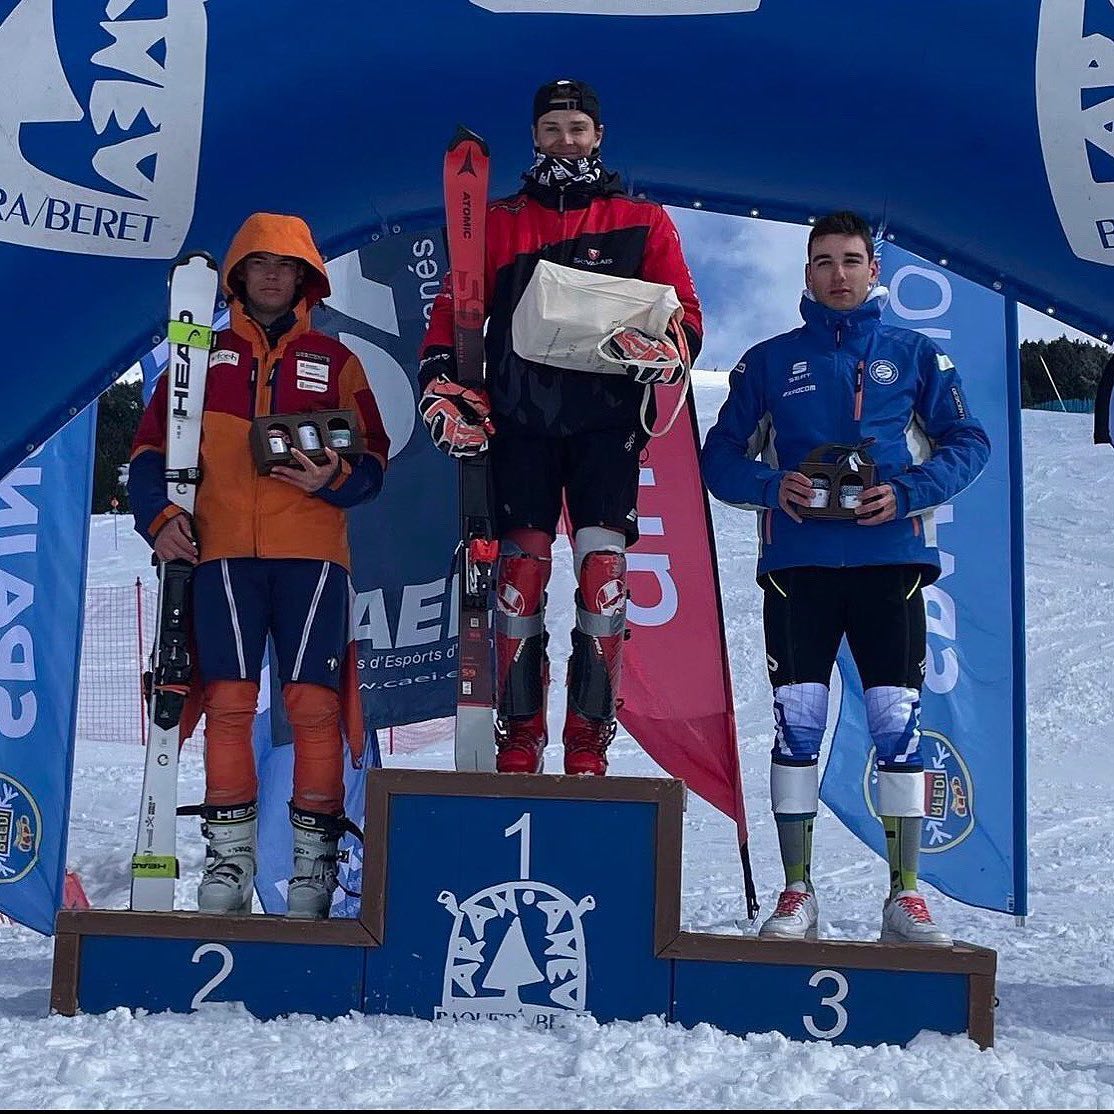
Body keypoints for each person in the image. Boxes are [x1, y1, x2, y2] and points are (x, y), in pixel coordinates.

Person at [700, 211, 990, 946]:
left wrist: (911, 491)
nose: (838, 274)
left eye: (851, 260)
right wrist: (774, 488)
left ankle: (905, 895)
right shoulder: (769, 362)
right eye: (824, 261)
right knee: (797, 723)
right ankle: (797, 891)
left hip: (889, 565)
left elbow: (968, 440)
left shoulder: (914, 354)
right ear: (806, 273)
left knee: (896, 723)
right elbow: (719, 457)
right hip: (799, 568)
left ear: (873, 271)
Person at [418, 78, 703, 776]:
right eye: (552, 128)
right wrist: (441, 383)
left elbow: (685, 313)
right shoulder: (502, 219)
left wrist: (671, 348)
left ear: (598, 135)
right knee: (519, 576)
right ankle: (520, 736)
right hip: (522, 419)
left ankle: (587, 739)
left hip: (608, 422)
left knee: (604, 574)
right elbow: (454, 309)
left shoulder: (641, 218)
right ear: (535, 137)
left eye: (577, 128)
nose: (566, 140)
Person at [128, 213, 390, 919]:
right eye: (259, 264)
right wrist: (160, 520)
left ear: (305, 279)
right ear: (238, 276)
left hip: (313, 559)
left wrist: (333, 479)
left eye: (286, 266)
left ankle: (314, 869)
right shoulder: (198, 358)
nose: (272, 277)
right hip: (221, 558)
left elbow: (374, 459)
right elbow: (148, 452)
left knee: (314, 709)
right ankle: (229, 863)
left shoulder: (336, 360)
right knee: (229, 706)